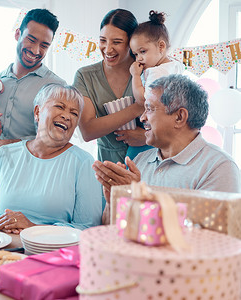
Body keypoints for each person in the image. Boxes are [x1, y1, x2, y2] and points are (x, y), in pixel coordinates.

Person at [93, 74, 241, 223]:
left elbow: (210, 239)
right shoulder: (140, 161)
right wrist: (114, 201)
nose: (142, 118)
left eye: (149, 109)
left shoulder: (219, 168)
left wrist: (140, 198)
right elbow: (109, 227)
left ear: (179, 117)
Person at [0, 9, 66, 195]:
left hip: (24, 182)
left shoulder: (56, 87)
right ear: (18, 34)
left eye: (44, 45)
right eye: (31, 40)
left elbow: (57, 141)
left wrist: (6, 145)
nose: (36, 51)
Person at [0, 84, 103, 233]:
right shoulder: (2, 155)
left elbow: (87, 228)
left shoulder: (84, 162)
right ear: (37, 112)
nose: (67, 116)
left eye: (74, 113)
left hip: (53, 253)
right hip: (4, 250)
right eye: (60, 106)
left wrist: (32, 228)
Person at [73, 8, 146, 165]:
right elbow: (87, 131)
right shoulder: (85, 76)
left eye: (117, 42)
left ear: (131, 41)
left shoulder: (148, 72)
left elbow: (172, 124)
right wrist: (137, 108)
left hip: (148, 164)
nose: (107, 49)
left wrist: (148, 137)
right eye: (103, 40)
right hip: (108, 166)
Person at [129, 10, 183, 108]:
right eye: (135, 54)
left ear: (161, 46)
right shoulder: (175, 64)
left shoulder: (157, 72)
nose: (138, 59)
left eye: (143, 51)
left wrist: (135, 75)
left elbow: (143, 101)